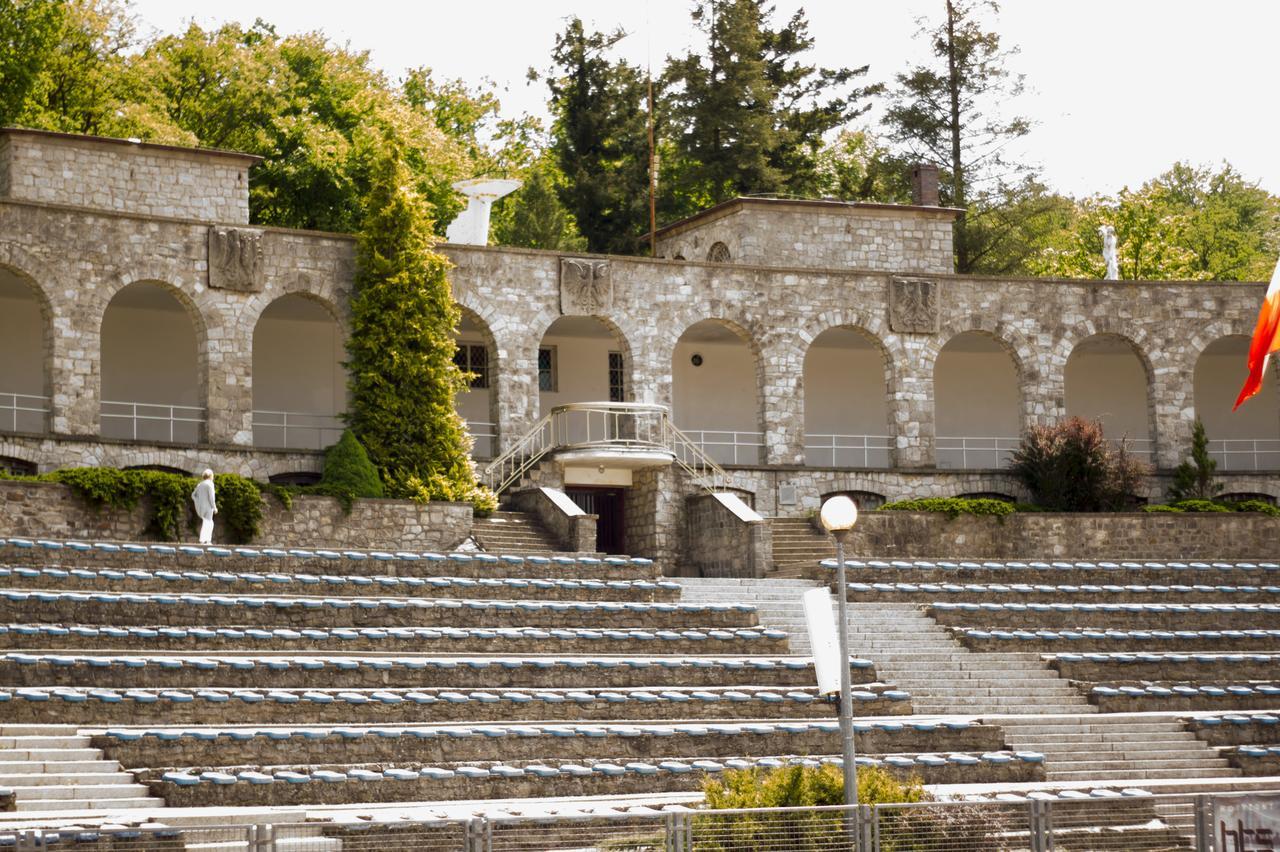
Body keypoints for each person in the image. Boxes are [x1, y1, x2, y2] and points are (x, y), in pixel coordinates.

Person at [192, 469, 217, 544]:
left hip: (201, 508)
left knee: (207, 522)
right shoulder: (210, 484)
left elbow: (193, 495)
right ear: (210, 476)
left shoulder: (200, 484)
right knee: (209, 523)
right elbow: (211, 498)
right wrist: (214, 507)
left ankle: (203, 540)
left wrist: (197, 502)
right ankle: (206, 540)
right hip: (208, 508)